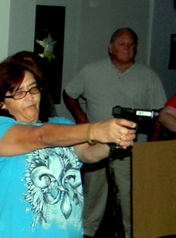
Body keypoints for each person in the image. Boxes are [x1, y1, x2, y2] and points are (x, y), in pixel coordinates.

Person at [0, 60, 136, 237]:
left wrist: (115, 138)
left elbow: (89, 153)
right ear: (1, 103)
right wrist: (95, 130)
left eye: (33, 88)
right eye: (19, 92)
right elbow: (41, 137)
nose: (29, 96)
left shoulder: (61, 125)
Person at [62, 27, 166, 238]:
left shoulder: (148, 75)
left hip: (130, 149)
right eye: (121, 43)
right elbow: (69, 93)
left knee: (130, 197)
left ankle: (130, 234)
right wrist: (81, 119)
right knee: (93, 195)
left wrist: (150, 148)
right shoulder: (91, 70)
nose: (127, 48)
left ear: (136, 48)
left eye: (131, 44)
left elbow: (159, 115)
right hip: (95, 147)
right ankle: (87, 233)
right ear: (110, 48)